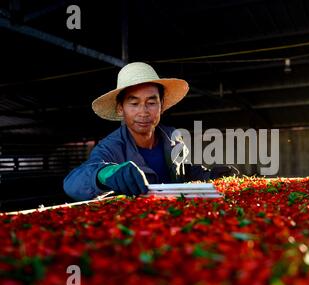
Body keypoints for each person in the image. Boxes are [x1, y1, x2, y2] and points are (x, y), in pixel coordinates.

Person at [63, 62, 238, 201]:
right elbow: (72, 184)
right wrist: (104, 174)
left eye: (151, 102)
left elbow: (185, 172)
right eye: (134, 103)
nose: (144, 111)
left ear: (161, 106)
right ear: (120, 109)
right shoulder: (111, 147)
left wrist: (210, 175)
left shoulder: (173, 138)